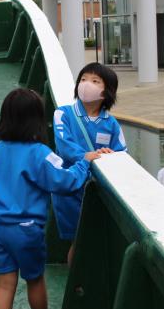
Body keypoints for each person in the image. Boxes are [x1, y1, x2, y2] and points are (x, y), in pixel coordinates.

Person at [0, 89, 100, 309]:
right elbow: (65, 181)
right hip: (25, 229)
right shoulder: (39, 153)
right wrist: (84, 162)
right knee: (34, 279)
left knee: (4, 284)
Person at [52, 62, 126, 265]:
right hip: (71, 187)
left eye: (95, 81)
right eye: (83, 79)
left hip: (98, 189)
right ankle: (76, 282)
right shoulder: (63, 113)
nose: (86, 84)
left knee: (97, 241)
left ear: (107, 90)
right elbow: (64, 145)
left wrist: (109, 155)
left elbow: (121, 152)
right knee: (78, 241)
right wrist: (87, 156)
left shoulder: (111, 123)